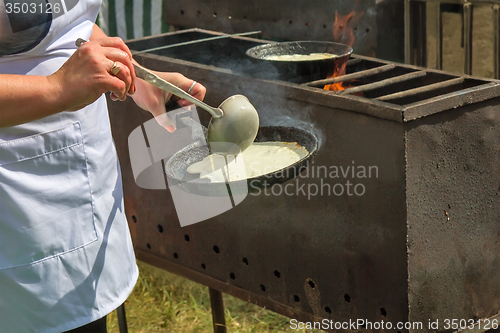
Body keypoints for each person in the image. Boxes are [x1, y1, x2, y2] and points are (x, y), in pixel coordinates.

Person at [0, 0, 206, 332]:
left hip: (87, 178)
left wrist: (139, 80)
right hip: (13, 203)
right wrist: (57, 87)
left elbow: (67, 22)